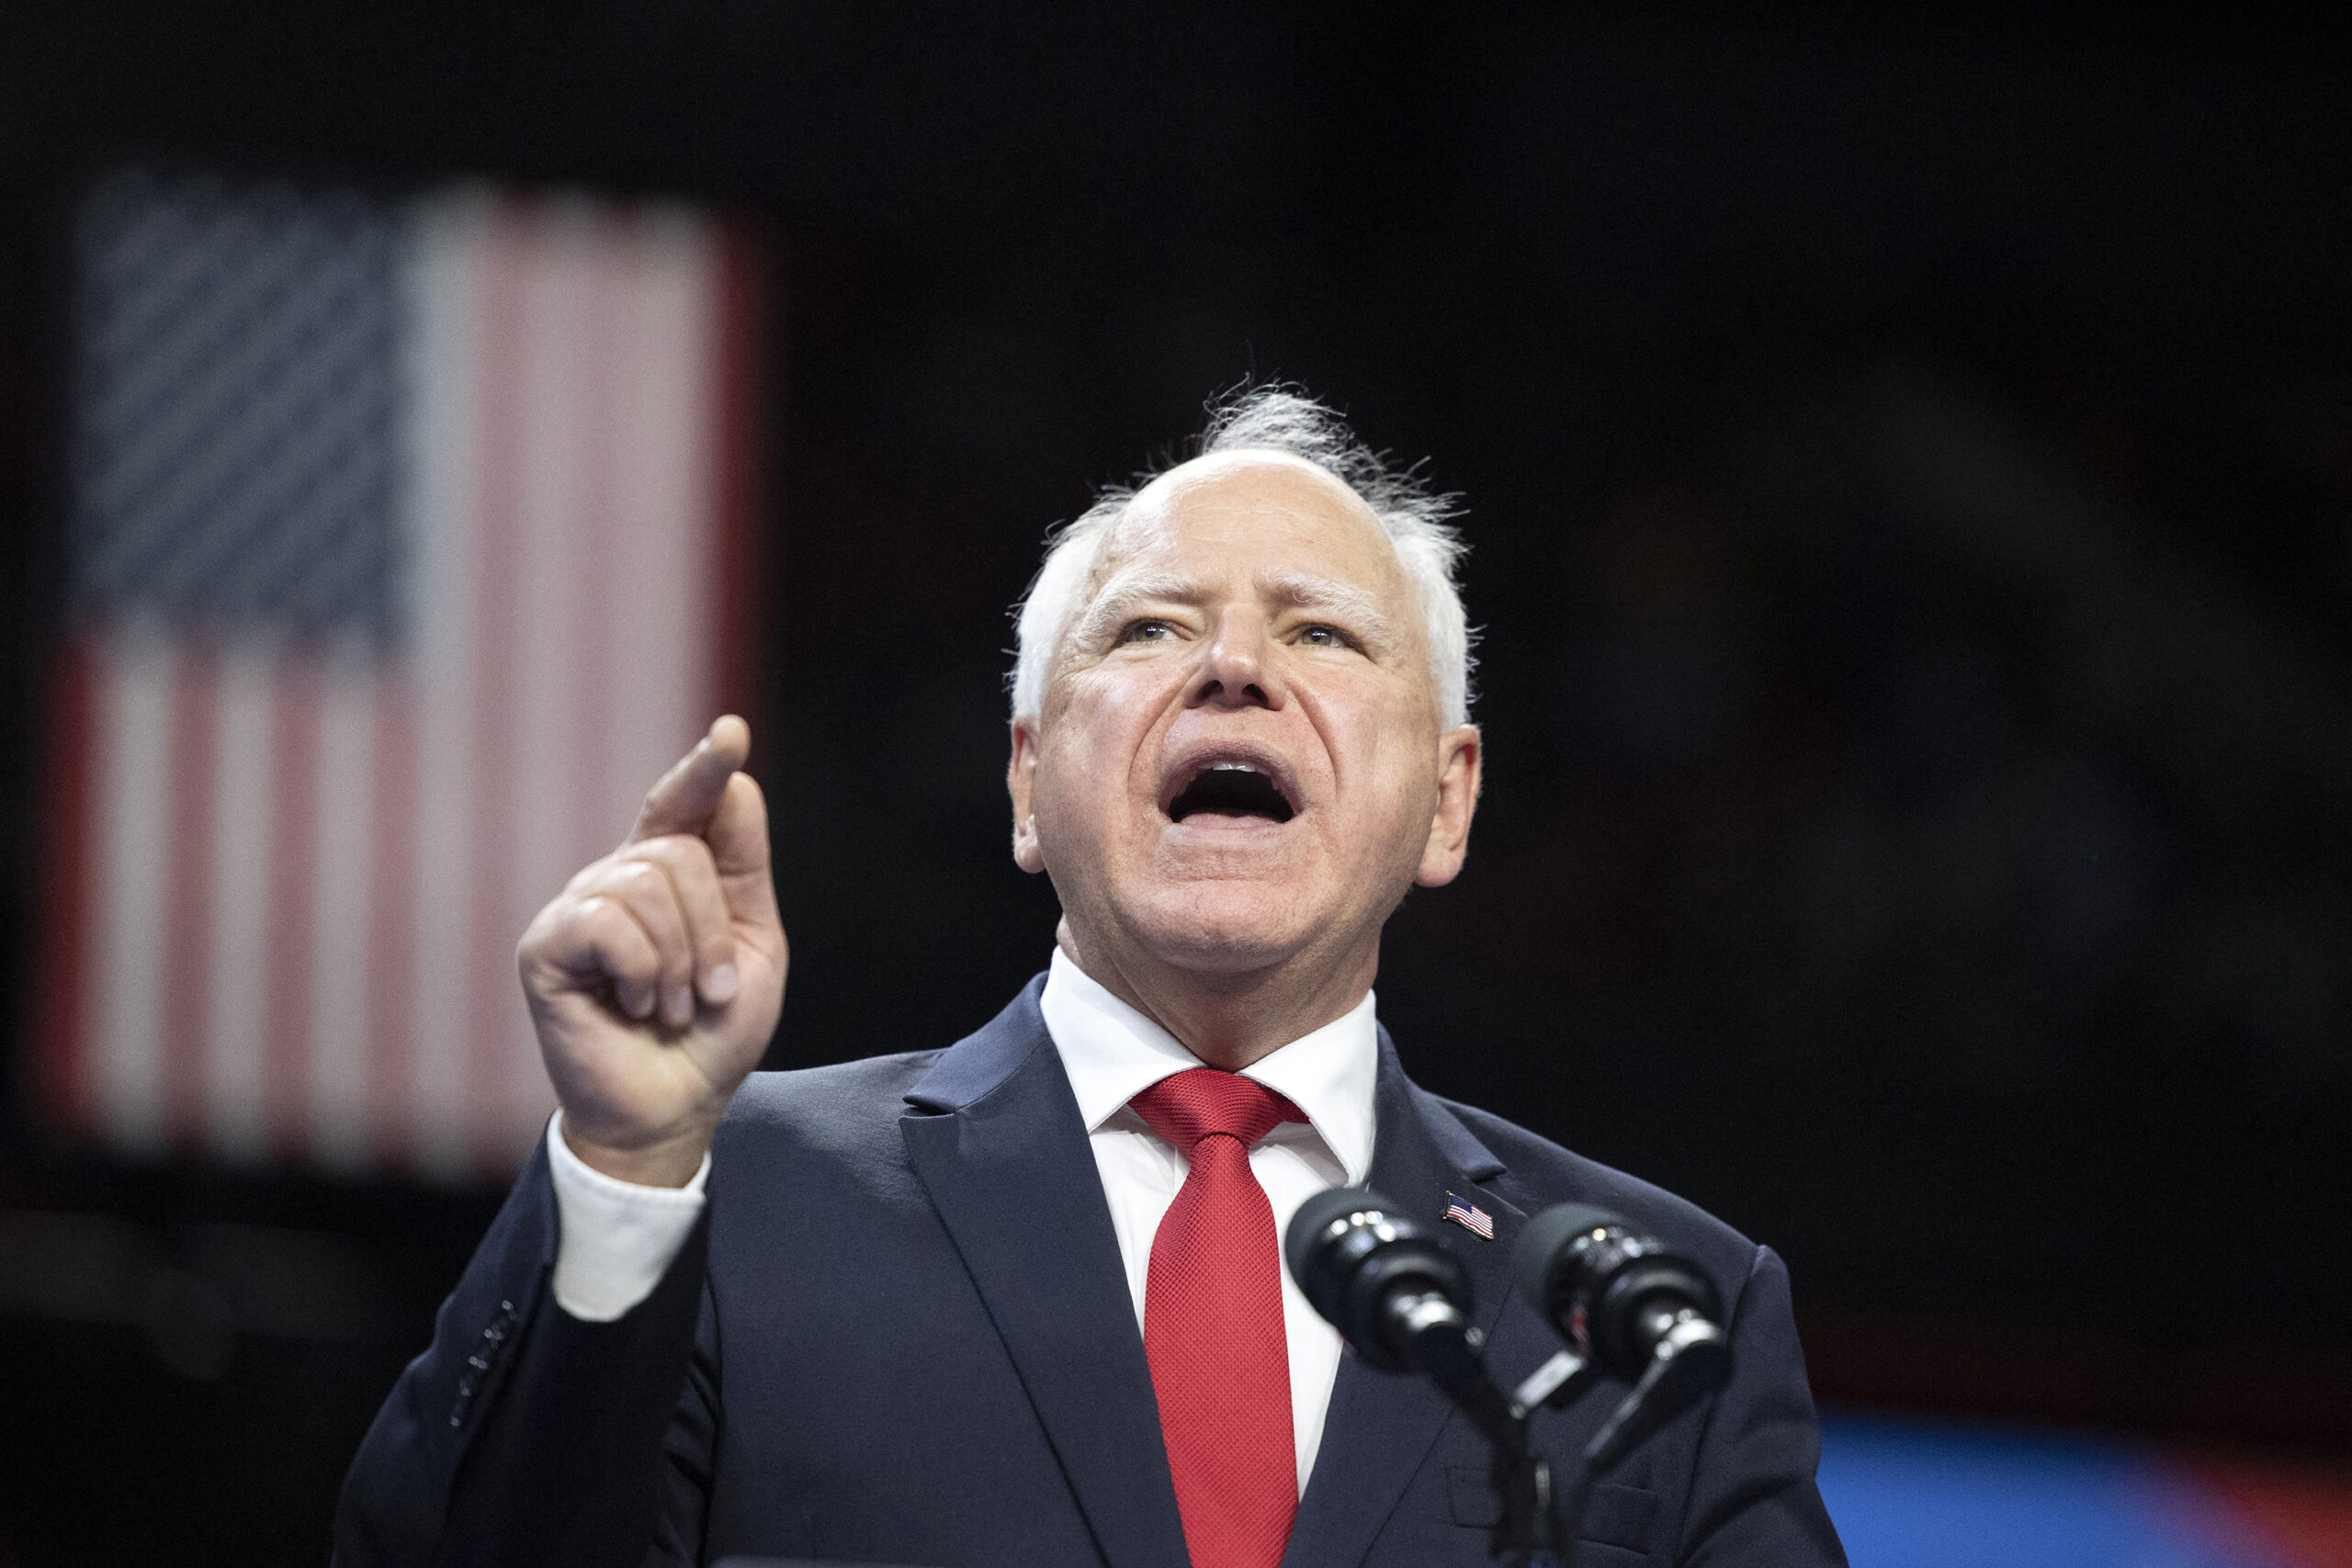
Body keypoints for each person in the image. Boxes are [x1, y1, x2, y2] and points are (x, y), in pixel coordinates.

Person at [334, 389, 1847, 1568]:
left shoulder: (1659, 1315)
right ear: (1026, 781)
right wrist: (621, 1177)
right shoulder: (725, 1198)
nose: (1235, 669)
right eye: (1151, 628)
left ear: (1448, 801)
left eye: (1322, 631)